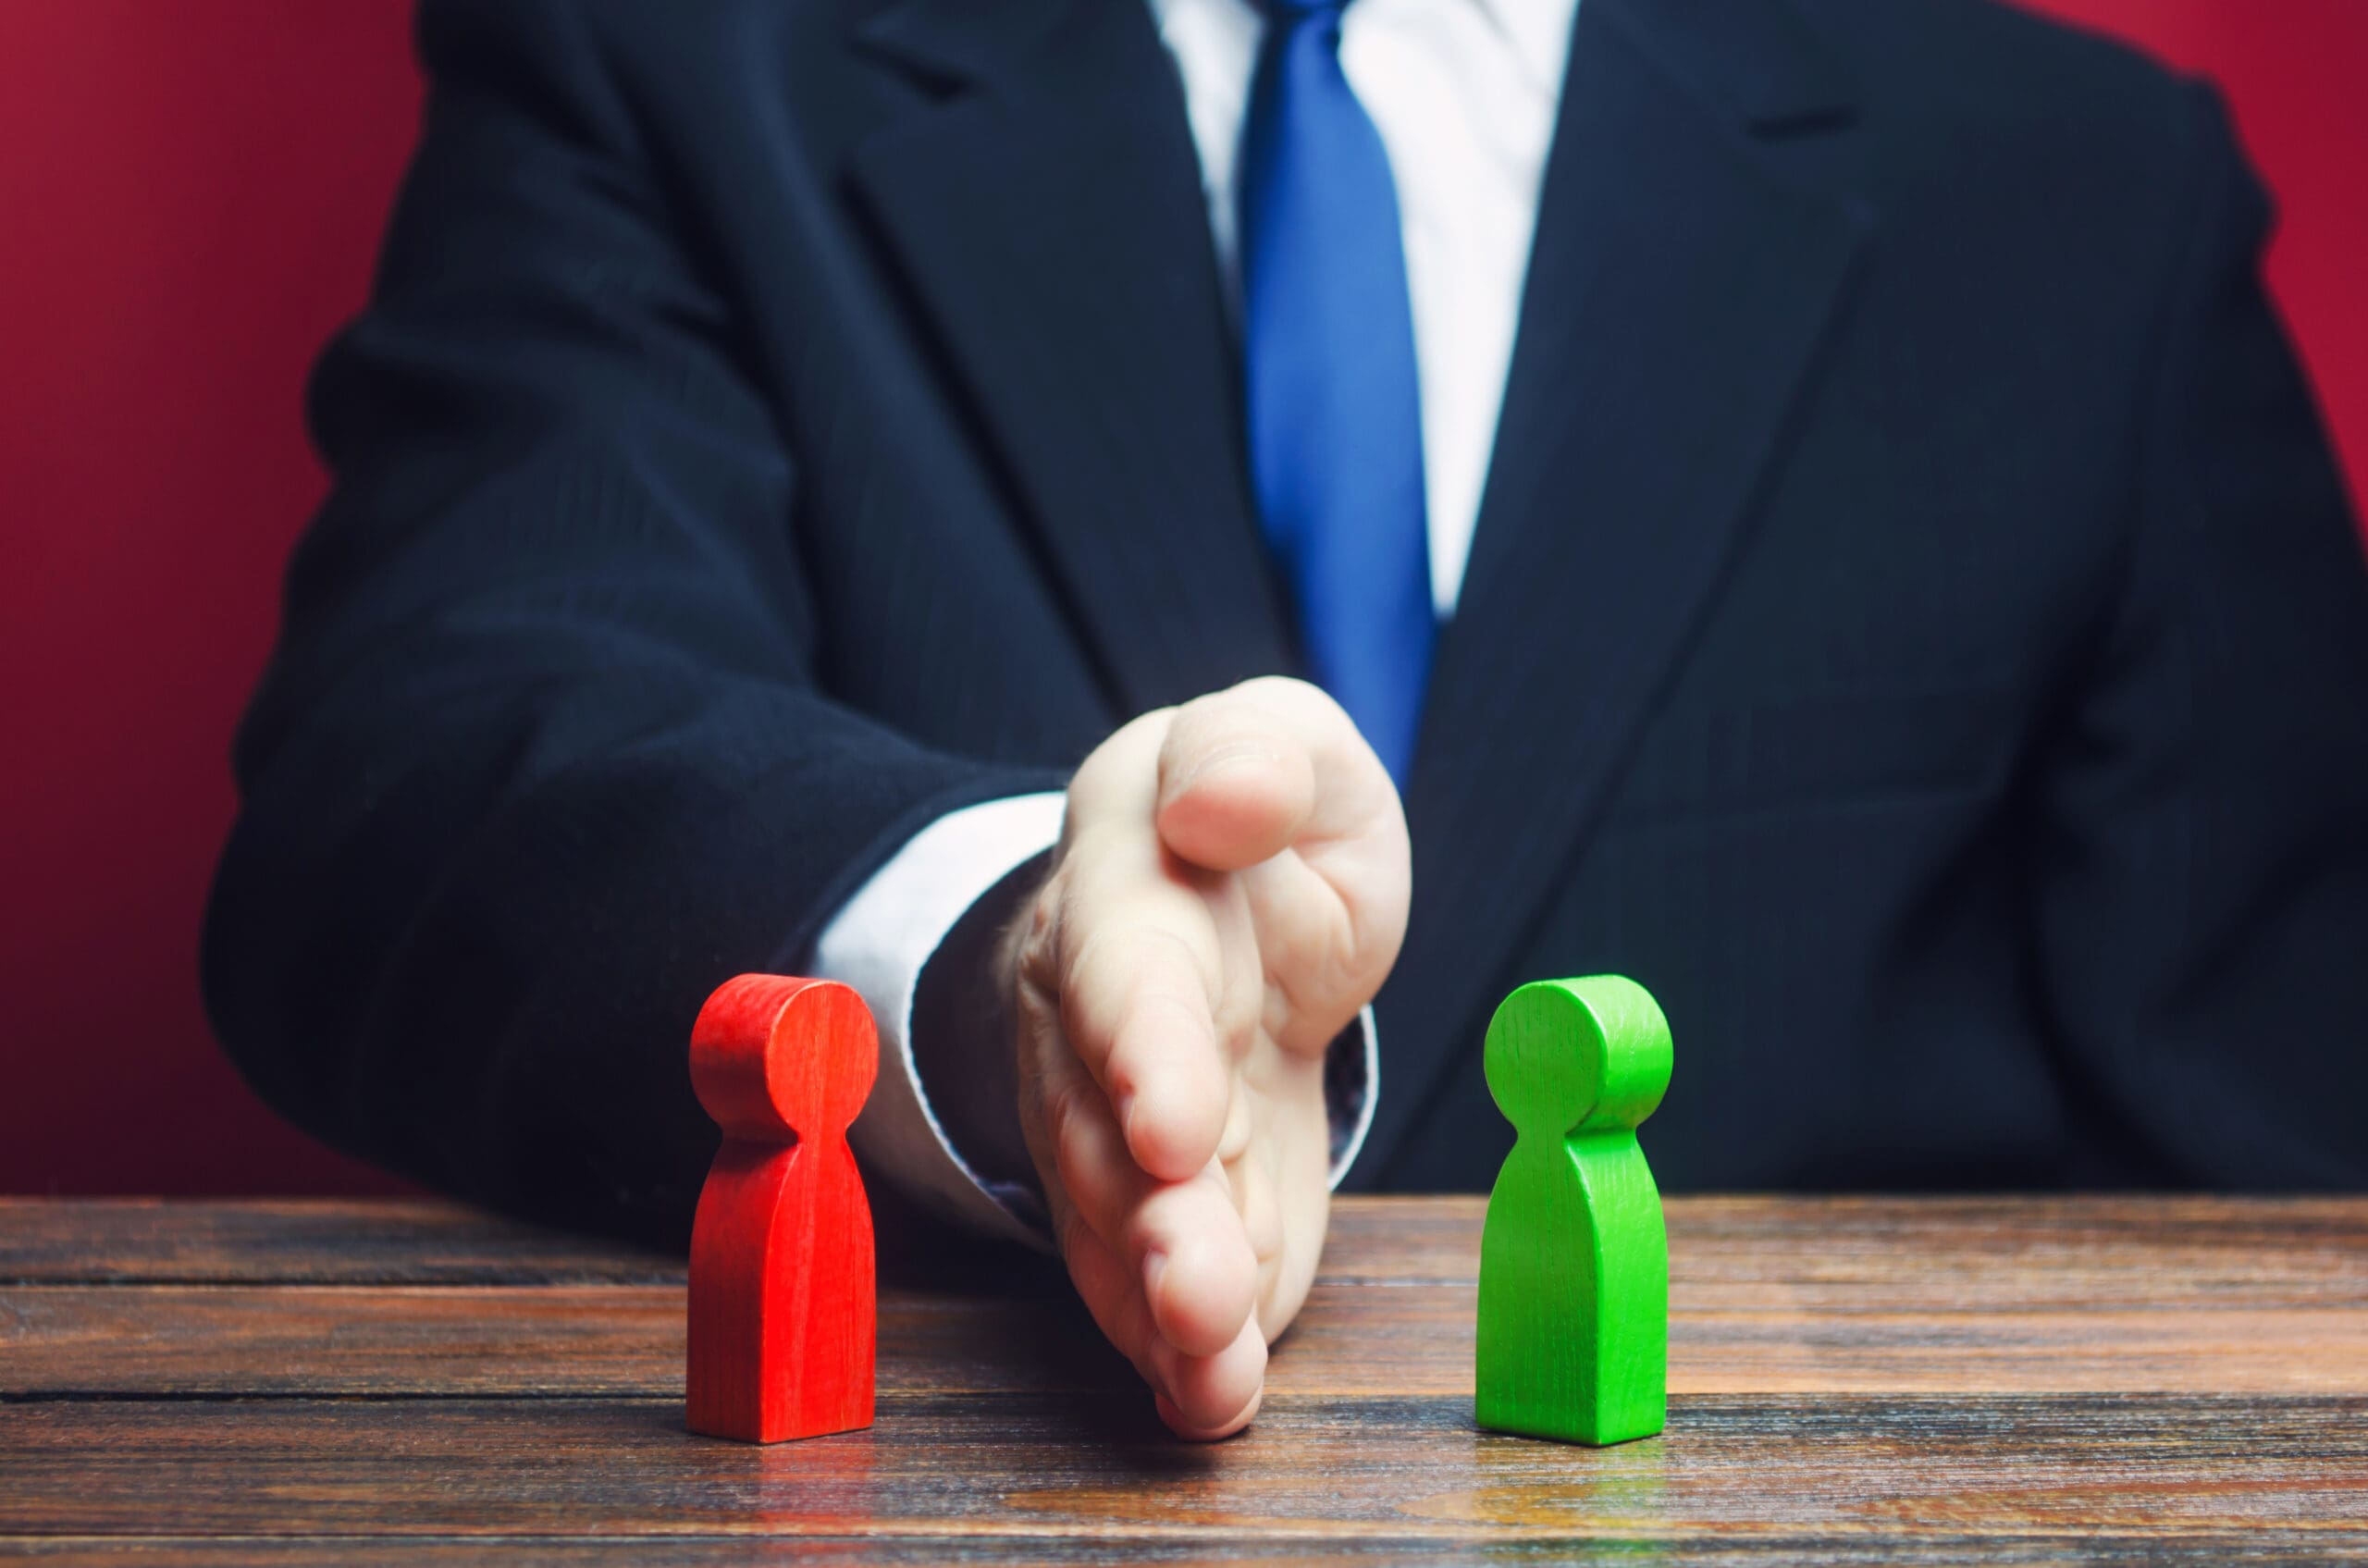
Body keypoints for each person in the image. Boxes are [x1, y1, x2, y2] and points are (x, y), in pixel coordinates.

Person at [202, 0, 2368, 1441]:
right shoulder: (669, 61)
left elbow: (2290, 1181)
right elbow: (419, 765)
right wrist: (1003, 959)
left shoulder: (2080, 195)